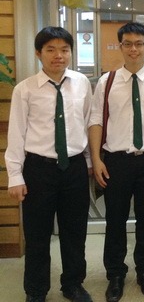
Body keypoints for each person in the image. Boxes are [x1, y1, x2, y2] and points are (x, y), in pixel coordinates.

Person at [6, 26, 93, 302]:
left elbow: (87, 123)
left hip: (75, 168)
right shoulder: (25, 89)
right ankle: (36, 291)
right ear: (38, 53)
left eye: (65, 50)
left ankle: (73, 284)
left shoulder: (82, 83)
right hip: (39, 169)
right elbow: (16, 133)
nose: (59, 55)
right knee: (37, 235)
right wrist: (15, 175)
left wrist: (89, 161)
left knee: (75, 232)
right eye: (51, 50)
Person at [89, 22, 144, 302]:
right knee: (115, 220)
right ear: (121, 46)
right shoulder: (107, 81)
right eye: (128, 44)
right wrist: (96, 159)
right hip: (116, 161)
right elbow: (96, 120)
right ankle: (115, 274)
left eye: (139, 43)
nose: (134, 49)